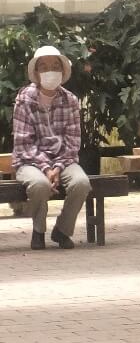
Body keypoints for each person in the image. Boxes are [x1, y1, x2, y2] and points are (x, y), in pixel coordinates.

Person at [12, 45, 91, 250]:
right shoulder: (24, 99)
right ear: (36, 72)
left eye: (55, 66)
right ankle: (38, 231)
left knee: (81, 182)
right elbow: (23, 143)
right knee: (40, 185)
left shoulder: (70, 100)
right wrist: (46, 168)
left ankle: (62, 231)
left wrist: (57, 167)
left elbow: (72, 142)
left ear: (63, 71)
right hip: (29, 161)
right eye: (44, 66)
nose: (50, 71)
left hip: (63, 160)